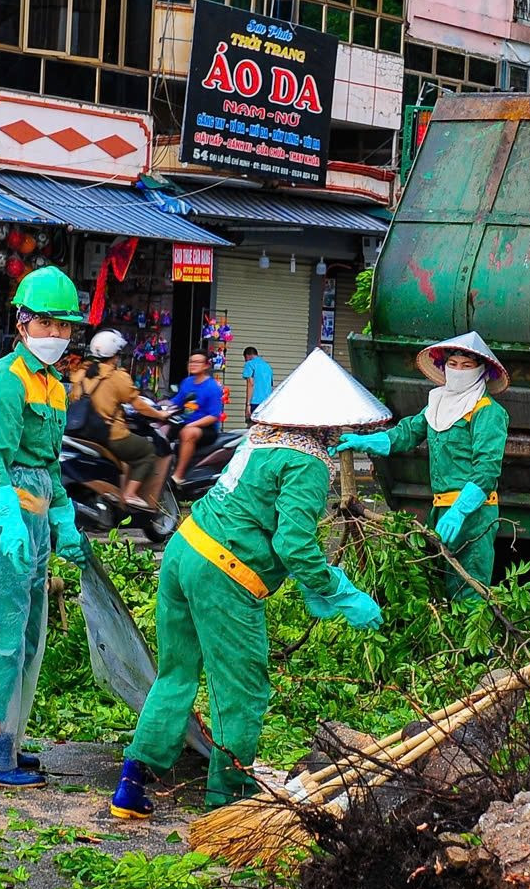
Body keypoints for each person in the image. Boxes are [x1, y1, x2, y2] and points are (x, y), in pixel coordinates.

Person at [111, 350, 388, 819]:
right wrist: (337, 589)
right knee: (242, 689)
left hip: (184, 549)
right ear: (327, 421)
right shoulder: (309, 463)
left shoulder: (260, 439)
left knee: (176, 674)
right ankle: (230, 796)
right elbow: (294, 544)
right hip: (225, 573)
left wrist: (310, 584)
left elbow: (255, 511)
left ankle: (131, 787)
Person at [0, 267, 88, 788]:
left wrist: (63, 521)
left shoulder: (54, 386)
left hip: (31, 510)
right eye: (46, 324)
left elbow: (49, 466)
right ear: (23, 321)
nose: (55, 335)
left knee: (31, 635)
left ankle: (7, 739)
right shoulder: (6, 381)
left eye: (63, 326)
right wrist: (8, 520)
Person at [336, 332, 508, 603]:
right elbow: (405, 434)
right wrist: (364, 441)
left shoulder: (487, 411)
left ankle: (480, 647)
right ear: (444, 367)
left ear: (481, 371)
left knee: (469, 590)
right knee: (437, 585)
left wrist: (460, 511)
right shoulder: (437, 404)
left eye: (467, 366)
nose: (458, 371)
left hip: (474, 515)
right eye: (453, 364)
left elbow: (486, 470)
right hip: (440, 510)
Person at [76, 330, 172, 510]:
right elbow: (139, 405)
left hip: (82, 432)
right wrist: (161, 415)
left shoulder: (82, 373)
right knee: (147, 452)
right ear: (115, 355)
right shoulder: (117, 376)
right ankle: (130, 493)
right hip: (110, 435)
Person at [165, 351, 227, 484]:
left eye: (197, 362)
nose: (193, 365)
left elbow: (214, 416)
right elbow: (176, 402)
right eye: (191, 362)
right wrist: (158, 407)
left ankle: (178, 476)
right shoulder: (187, 382)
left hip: (206, 428)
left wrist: (191, 425)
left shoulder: (212, 387)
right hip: (186, 422)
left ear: (206, 366)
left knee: (187, 432)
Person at [240, 346, 273, 418]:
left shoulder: (250, 364)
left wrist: (248, 405)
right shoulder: (267, 366)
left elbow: (250, 383)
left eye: (245, 359)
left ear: (247, 356)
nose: (245, 361)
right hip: (267, 402)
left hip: (255, 402)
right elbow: (270, 385)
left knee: (252, 426)